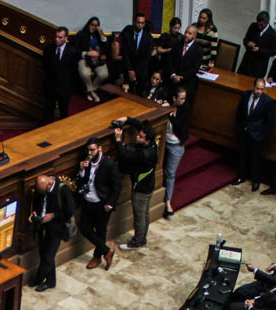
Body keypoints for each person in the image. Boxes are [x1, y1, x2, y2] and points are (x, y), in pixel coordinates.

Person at [76, 138, 120, 269]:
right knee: (84, 228)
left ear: (100, 148)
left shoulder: (108, 164)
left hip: (101, 204)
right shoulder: (86, 162)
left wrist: (110, 204)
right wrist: (82, 171)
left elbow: (117, 186)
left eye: (92, 150)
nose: (90, 152)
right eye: (88, 150)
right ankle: (107, 251)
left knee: (101, 231)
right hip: (87, 202)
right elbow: (82, 182)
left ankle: (97, 257)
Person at [115, 118, 160, 249]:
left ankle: (138, 241)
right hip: (148, 184)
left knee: (140, 216)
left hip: (140, 189)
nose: (137, 137)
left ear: (147, 141)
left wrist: (118, 140)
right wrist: (127, 119)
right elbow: (141, 126)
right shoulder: (152, 144)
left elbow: (123, 155)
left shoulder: (144, 154)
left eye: (140, 137)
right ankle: (142, 238)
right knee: (144, 213)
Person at [29, 173, 76, 292]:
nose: (43, 194)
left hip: (56, 229)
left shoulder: (63, 190)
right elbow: (36, 201)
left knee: (48, 256)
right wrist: (34, 212)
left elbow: (70, 210)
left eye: (44, 191)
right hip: (42, 228)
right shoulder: (42, 189)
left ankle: (44, 279)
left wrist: (53, 215)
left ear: (49, 184)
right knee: (43, 254)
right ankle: (49, 279)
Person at [234, 77, 275, 191]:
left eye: (262, 89)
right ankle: (241, 176)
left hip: (257, 135)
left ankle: (256, 180)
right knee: (242, 155)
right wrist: (239, 128)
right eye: (257, 88)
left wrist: (263, 136)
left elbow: (269, 122)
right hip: (244, 132)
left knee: (255, 159)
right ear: (253, 86)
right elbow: (239, 113)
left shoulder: (267, 101)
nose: (259, 91)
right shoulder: (245, 95)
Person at [163, 87, 191, 217]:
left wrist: (169, 113)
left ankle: (168, 201)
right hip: (163, 142)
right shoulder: (166, 104)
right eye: (181, 98)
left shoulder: (185, 108)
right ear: (174, 98)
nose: (183, 100)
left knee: (170, 173)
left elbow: (178, 125)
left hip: (176, 145)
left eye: (184, 98)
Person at [42, 26, 79, 123]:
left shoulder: (72, 51)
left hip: (64, 87)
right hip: (50, 86)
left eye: (60, 37)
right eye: (56, 37)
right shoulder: (48, 49)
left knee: (64, 111)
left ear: (66, 38)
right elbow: (45, 66)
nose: (57, 39)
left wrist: (70, 87)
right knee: (48, 112)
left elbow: (74, 71)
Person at [74, 16, 111, 103]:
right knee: (85, 73)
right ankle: (92, 93)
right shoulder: (81, 35)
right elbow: (76, 50)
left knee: (104, 74)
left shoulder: (98, 35)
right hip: (84, 58)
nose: (93, 27)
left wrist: (101, 33)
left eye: (95, 25)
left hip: (96, 59)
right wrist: (87, 53)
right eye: (92, 25)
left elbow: (106, 47)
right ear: (88, 24)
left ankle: (90, 90)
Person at [118, 13, 155, 91]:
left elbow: (147, 57)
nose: (140, 25)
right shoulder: (127, 35)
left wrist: (136, 71)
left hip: (141, 68)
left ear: (144, 24)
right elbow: (125, 54)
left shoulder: (148, 37)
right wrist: (130, 70)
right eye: (138, 22)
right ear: (134, 22)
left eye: (142, 23)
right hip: (128, 67)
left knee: (140, 89)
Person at [238, 11, 276, 79]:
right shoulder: (253, 26)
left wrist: (259, 50)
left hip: (259, 67)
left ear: (267, 22)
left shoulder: (273, 35)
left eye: (261, 25)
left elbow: (273, 52)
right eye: (258, 24)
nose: (259, 27)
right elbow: (245, 40)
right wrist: (248, 43)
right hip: (246, 63)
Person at [170, 26, 204, 105]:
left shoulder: (198, 50)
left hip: (187, 82)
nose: (186, 35)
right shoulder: (177, 44)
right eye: (186, 32)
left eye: (189, 33)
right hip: (173, 80)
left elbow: (194, 68)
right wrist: (173, 75)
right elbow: (170, 61)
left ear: (194, 36)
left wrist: (181, 78)